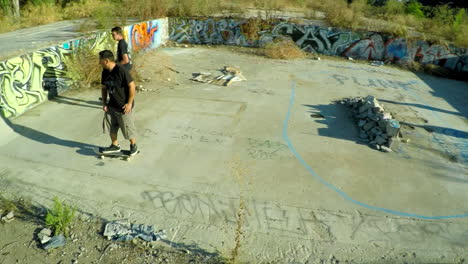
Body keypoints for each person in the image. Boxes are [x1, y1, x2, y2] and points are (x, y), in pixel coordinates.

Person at [99, 50, 138, 156]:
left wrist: (129, 103)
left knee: (127, 127)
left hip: (124, 106)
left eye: (100, 60)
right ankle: (115, 145)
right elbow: (104, 88)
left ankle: (133, 146)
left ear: (106, 61)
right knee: (112, 126)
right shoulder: (105, 71)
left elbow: (132, 86)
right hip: (112, 105)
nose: (99, 63)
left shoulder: (121, 70)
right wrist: (104, 103)